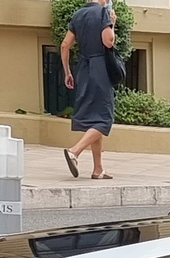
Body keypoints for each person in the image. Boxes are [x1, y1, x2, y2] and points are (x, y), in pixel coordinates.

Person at [58, 0, 116, 179]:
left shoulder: (78, 15)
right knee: (105, 118)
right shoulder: (102, 13)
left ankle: (98, 169)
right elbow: (108, 41)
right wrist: (112, 23)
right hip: (100, 68)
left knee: (94, 118)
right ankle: (74, 152)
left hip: (83, 68)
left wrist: (67, 72)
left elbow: (65, 45)